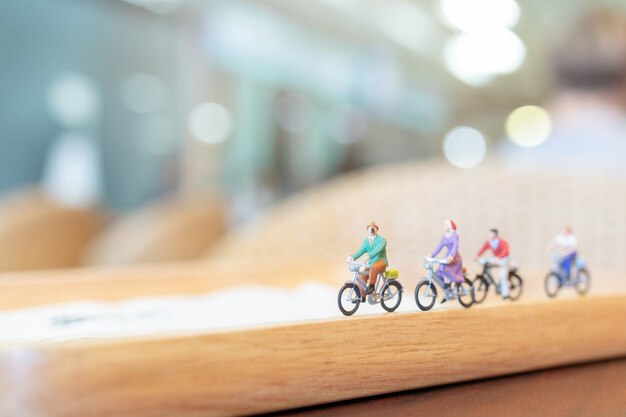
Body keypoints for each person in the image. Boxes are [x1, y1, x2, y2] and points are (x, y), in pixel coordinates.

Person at [347, 221, 388, 299]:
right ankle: (361, 296)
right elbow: (360, 251)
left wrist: (369, 255)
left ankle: (372, 286)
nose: (372, 229)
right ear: (367, 230)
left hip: (381, 261)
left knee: (374, 267)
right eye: (370, 228)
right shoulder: (366, 242)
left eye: (374, 228)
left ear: (377, 229)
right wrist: (352, 257)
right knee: (362, 274)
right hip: (371, 263)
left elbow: (378, 249)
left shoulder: (382, 240)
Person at [429, 219, 463, 299]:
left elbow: (455, 247)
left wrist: (451, 256)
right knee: (439, 272)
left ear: (451, 226)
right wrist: (432, 255)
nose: (445, 226)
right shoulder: (444, 237)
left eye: (447, 224)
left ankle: (448, 289)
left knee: (446, 270)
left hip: (454, 257)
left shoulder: (454, 235)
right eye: (444, 225)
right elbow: (439, 247)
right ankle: (447, 291)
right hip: (447, 257)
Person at [475, 228, 511, 299]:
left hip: (503, 259)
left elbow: (505, 250)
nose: (489, 235)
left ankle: (505, 293)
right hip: (496, 258)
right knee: (487, 264)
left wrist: (499, 257)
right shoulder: (489, 242)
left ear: (495, 234)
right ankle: (489, 279)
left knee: (502, 275)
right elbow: (483, 249)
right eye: (489, 234)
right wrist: (477, 255)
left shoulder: (502, 241)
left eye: (491, 234)